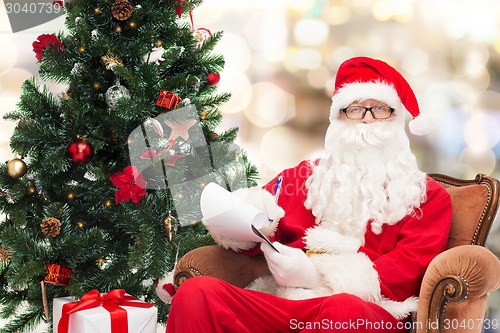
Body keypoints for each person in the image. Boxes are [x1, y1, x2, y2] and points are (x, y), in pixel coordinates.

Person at [160, 56, 453, 332]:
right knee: (198, 292)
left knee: (344, 308)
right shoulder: (303, 178)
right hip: (288, 303)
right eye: (354, 109)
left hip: (369, 312)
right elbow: (252, 237)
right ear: (338, 119)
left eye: (379, 108)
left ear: (396, 118)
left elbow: (408, 271)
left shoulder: (425, 196)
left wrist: (315, 275)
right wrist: (253, 218)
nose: (366, 119)